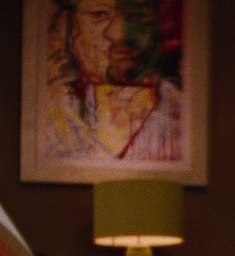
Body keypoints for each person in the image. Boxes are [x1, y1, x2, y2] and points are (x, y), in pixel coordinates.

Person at [42, 0, 185, 163]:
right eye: (99, 15)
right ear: (68, 25)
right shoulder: (53, 110)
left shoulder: (180, 116)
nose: (119, 35)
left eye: (136, 17)